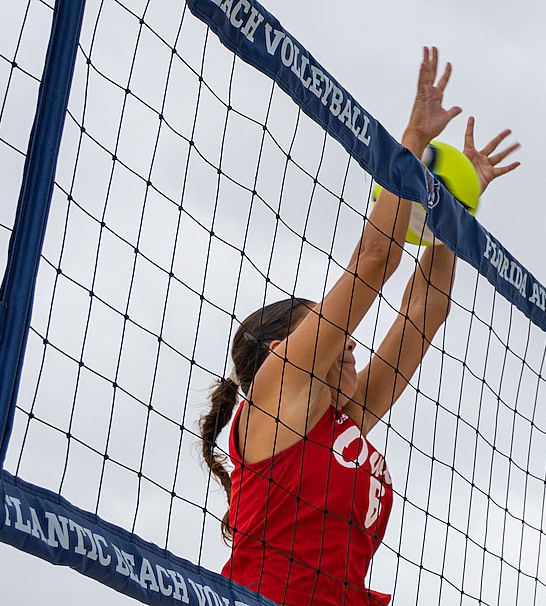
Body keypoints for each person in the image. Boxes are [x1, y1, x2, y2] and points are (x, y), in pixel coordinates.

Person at [199, 47, 520, 606]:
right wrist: (411, 145)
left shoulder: (340, 420)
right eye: (330, 334)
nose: (348, 342)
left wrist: (456, 210)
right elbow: (374, 260)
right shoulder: (277, 395)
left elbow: (424, 314)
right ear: (282, 350)